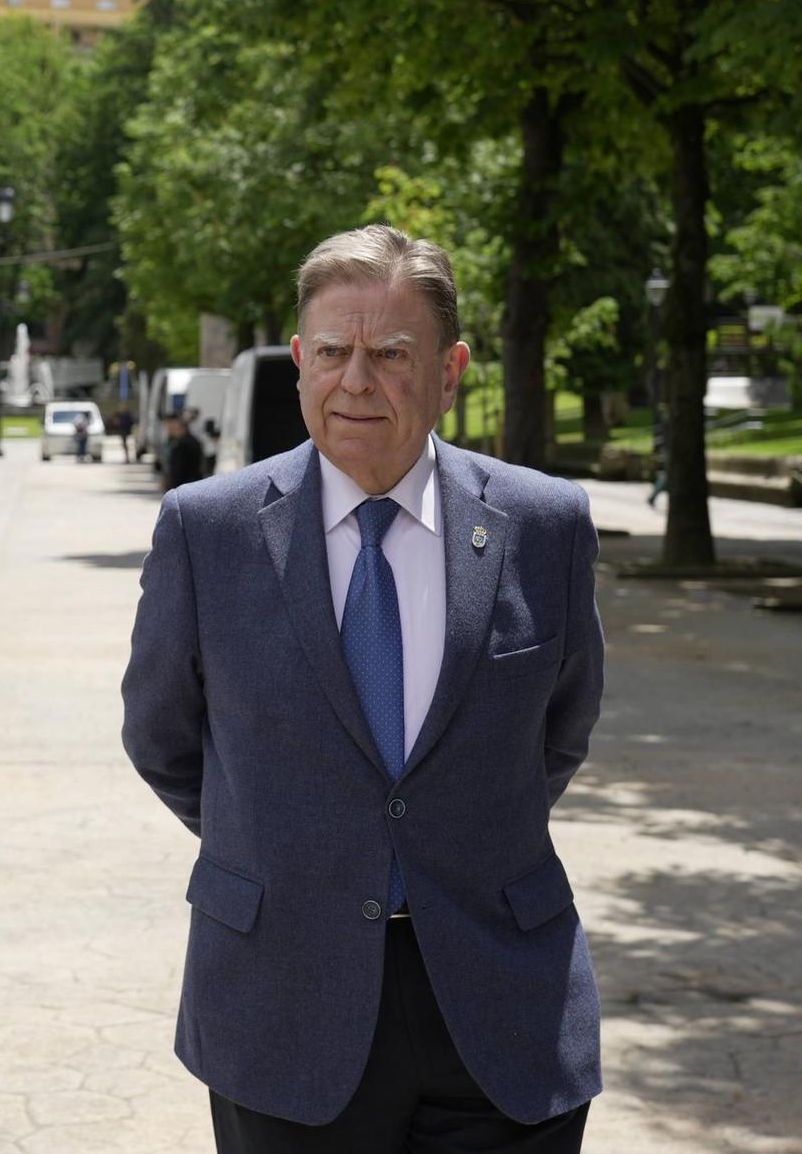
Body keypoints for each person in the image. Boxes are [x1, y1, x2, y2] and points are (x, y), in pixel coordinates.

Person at [122, 224, 603, 1153]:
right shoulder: (206, 532)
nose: (357, 380)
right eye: (335, 352)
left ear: (450, 370)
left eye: (391, 354)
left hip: (503, 1006)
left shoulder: (545, 525)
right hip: (283, 1004)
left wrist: (443, 832)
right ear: (301, 361)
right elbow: (164, 740)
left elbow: (560, 728)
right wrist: (295, 839)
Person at [161, 413, 205, 491]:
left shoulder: (184, 444)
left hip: (185, 485)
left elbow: (180, 468)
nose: (168, 429)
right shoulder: (178, 441)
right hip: (185, 484)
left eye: (171, 427)